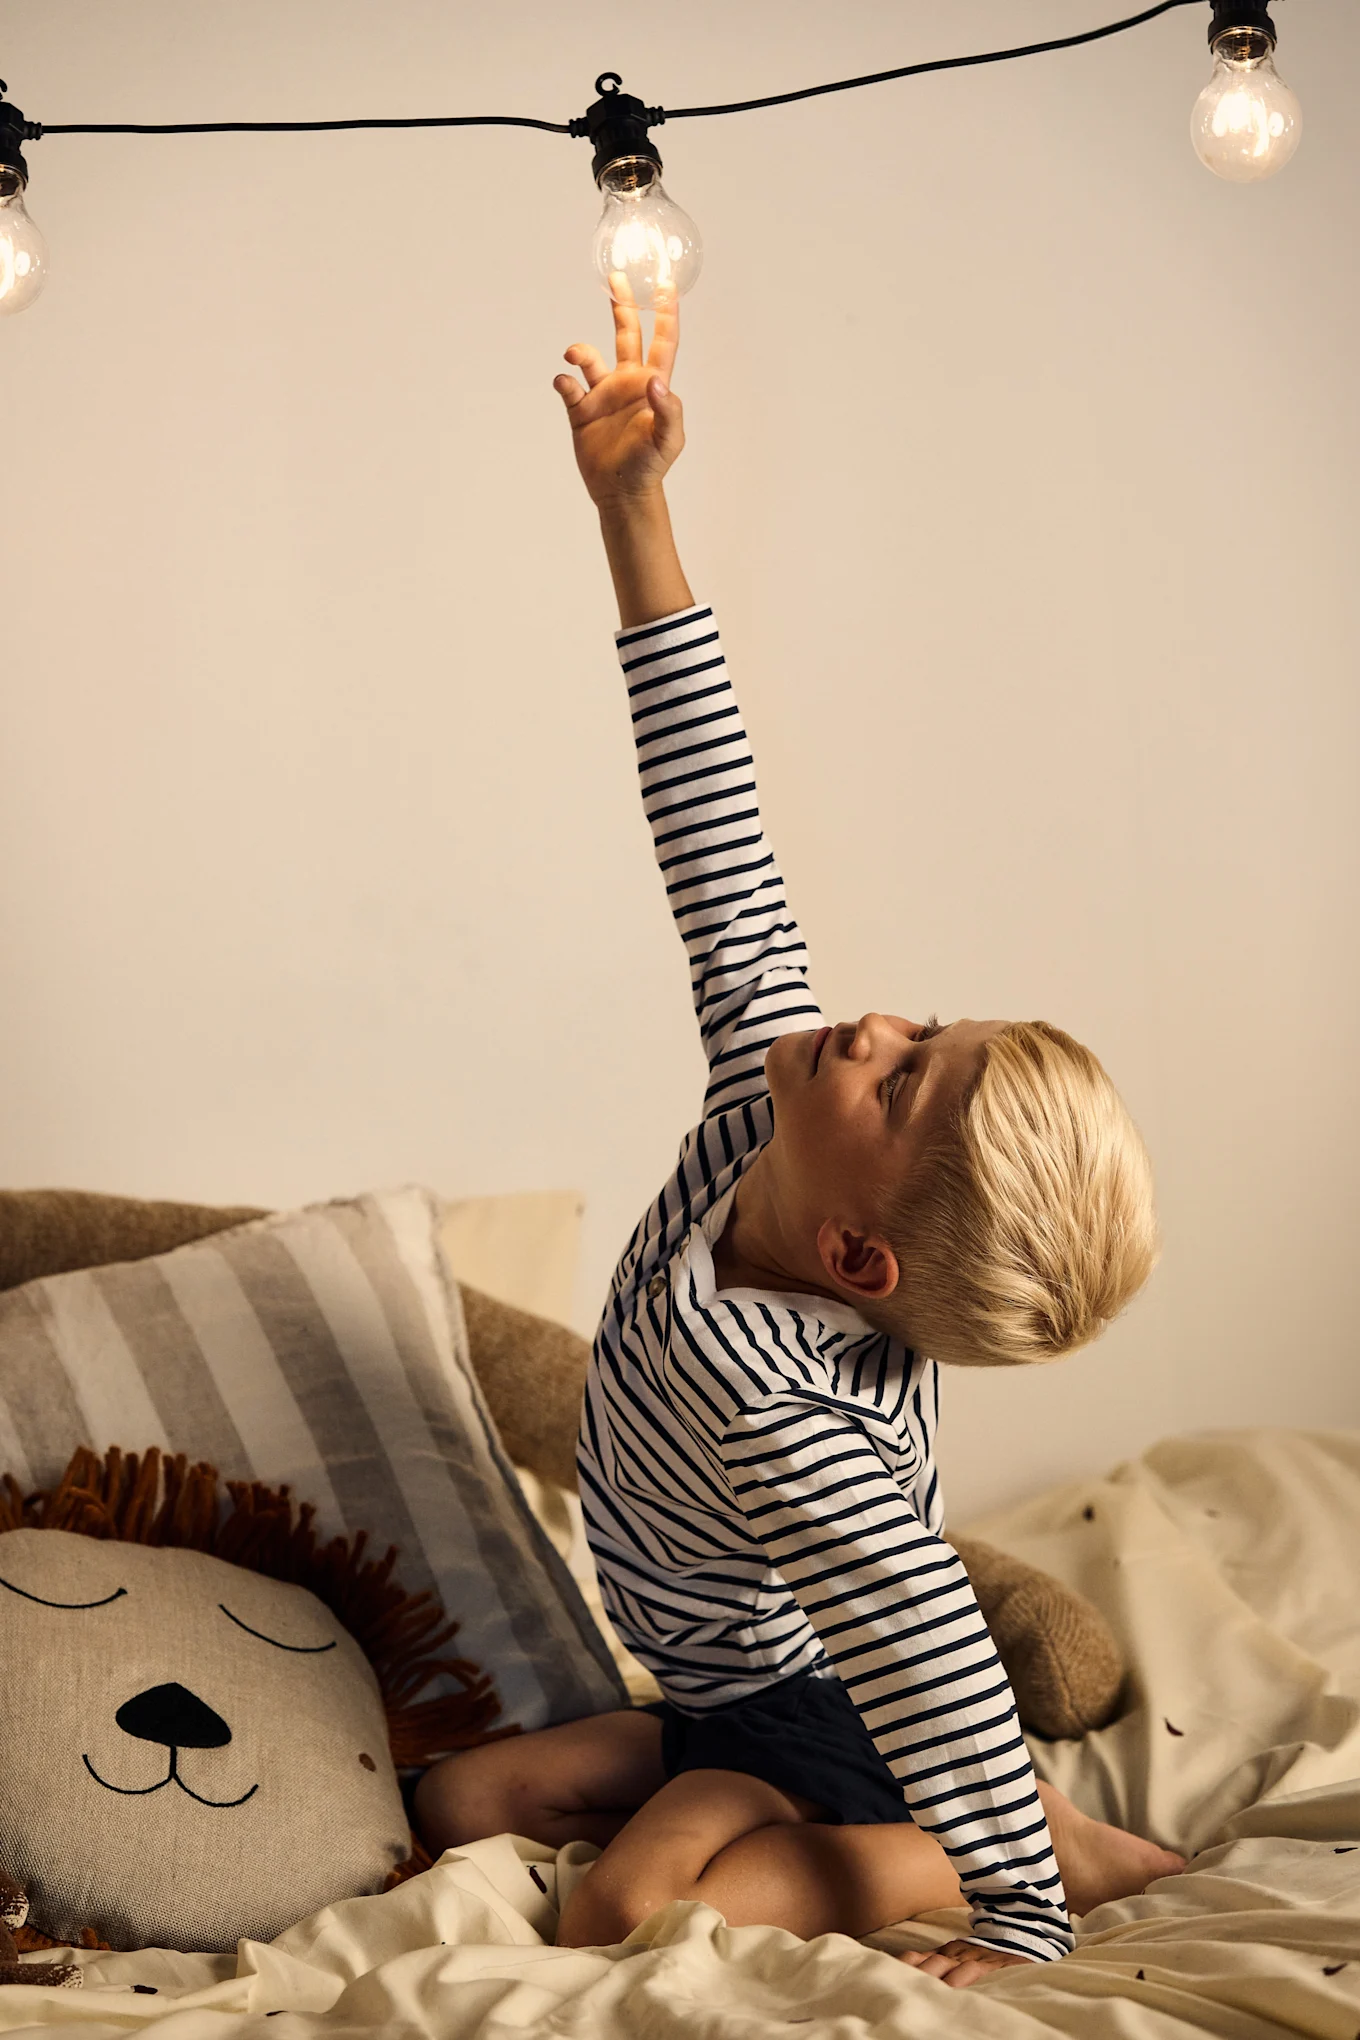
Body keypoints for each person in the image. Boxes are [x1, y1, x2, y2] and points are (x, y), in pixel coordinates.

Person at [414, 281, 1184, 1991]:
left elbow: (923, 1652)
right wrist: (635, 506)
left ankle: (1053, 1843)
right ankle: (736, 1775)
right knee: (465, 1796)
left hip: (827, 1712)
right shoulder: (759, 1111)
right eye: (928, 1031)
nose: (880, 1023)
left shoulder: (796, 1422)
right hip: (703, 1682)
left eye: (901, 1079)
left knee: (610, 1913)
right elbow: (714, 820)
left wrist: (1020, 1906)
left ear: (856, 1254)